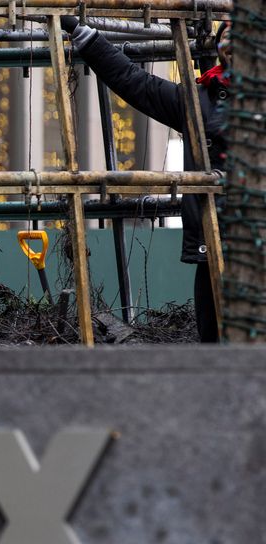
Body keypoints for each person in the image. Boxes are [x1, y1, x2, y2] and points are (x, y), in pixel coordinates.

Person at [62, 17, 231, 342]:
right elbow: (135, 82)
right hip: (217, 242)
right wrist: (87, 37)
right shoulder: (198, 101)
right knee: (216, 347)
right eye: (228, 39)